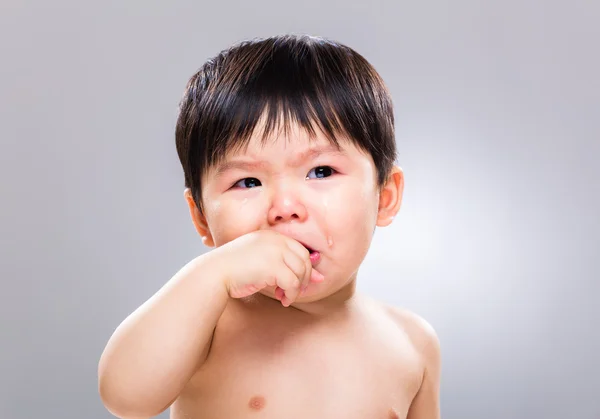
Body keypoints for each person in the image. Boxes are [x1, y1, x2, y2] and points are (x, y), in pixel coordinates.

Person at [98, 34, 441, 419]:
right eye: (248, 182)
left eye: (321, 171)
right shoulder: (208, 321)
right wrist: (213, 274)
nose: (284, 208)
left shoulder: (412, 343)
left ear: (386, 196)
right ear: (201, 218)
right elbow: (124, 397)